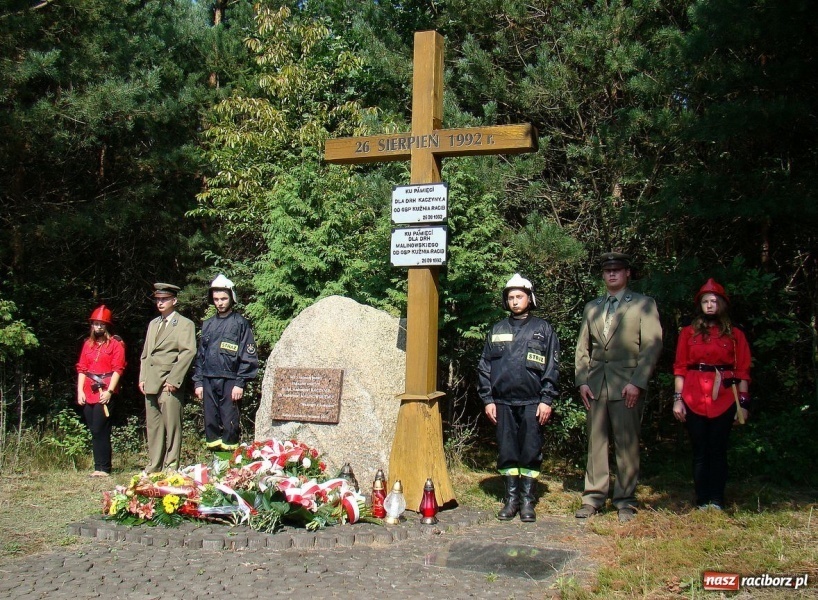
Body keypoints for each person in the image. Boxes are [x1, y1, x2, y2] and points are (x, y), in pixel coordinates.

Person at [574, 252, 663, 523]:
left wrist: (638, 381)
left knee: (627, 443)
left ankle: (625, 500)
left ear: (627, 274)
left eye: (618, 270)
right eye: (607, 270)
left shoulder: (643, 304)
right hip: (596, 384)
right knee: (596, 443)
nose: (612, 274)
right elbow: (582, 348)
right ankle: (593, 497)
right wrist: (582, 381)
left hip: (627, 385)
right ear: (603, 275)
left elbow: (652, 345)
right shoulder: (592, 307)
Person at [478, 273, 559, 522]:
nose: (514, 301)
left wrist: (547, 399)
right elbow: (484, 367)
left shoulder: (543, 329)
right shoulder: (497, 329)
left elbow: (552, 368)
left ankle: (527, 502)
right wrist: (488, 399)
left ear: (529, 298)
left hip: (533, 403)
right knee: (507, 452)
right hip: (502, 403)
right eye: (510, 297)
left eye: (519, 296)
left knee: (531, 451)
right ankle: (511, 500)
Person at [672, 278, 751, 510]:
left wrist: (743, 404)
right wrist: (678, 400)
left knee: (718, 449)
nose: (709, 305)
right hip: (693, 395)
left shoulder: (736, 334)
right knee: (700, 450)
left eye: (713, 301)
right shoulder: (688, 333)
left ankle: (716, 498)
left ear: (721, 304)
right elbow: (680, 367)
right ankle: (701, 499)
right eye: (705, 301)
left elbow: (743, 370)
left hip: (724, 397)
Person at [193, 274, 259, 452]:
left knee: (230, 424)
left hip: (230, 381)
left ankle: (230, 466)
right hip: (208, 380)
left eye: (223, 298)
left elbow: (249, 355)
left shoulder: (240, 324)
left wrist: (240, 383)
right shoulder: (207, 324)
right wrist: (198, 382)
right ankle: (216, 463)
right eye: (216, 299)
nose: (220, 303)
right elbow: (201, 356)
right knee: (211, 423)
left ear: (231, 298)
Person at [139, 283, 196, 473]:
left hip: (169, 384)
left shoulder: (184, 324)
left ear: (174, 300)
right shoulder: (153, 324)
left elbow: (188, 352)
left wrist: (174, 379)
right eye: (158, 299)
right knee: (154, 429)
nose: (160, 302)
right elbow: (146, 354)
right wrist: (142, 377)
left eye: (164, 299)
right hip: (151, 383)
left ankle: (170, 467)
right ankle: (153, 466)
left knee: (172, 428)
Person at [76, 306, 126, 477]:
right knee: (93, 429)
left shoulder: (116, 345)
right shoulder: (87, 344)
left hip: (105, 390)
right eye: (96, 324)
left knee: (100, 428)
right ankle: (98, 467)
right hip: (88, 390)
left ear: (107, 326)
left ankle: (104, 468)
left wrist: (110, 392)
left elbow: (118, 369)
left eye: (101, 324)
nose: (98, 327)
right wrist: (79, 392)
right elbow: (82, 368)